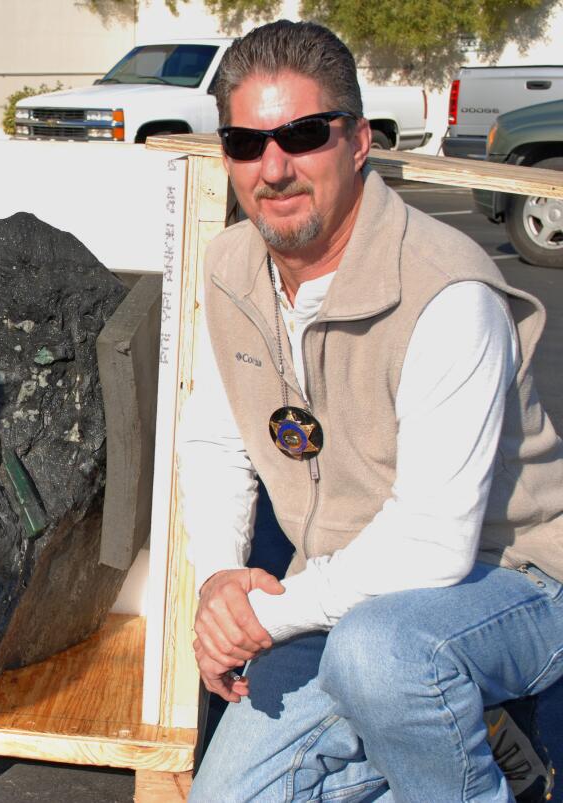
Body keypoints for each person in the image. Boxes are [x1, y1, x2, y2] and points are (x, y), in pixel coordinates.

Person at [179, 20, 563, 801]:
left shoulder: (448, 293)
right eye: (247, 143)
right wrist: (221, 578)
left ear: (357, 141)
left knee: (379, 658)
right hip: (344, 587)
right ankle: (471, 741)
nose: (273, 167)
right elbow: (219, 439)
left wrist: (261, 617)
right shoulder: (229, 267)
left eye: (303, 134)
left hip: (513, 579)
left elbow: (433, 543)